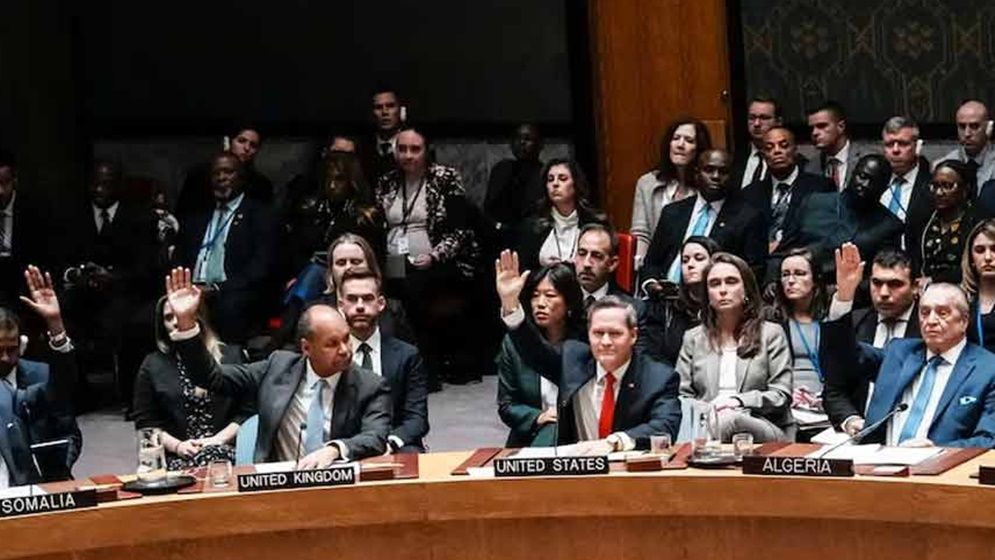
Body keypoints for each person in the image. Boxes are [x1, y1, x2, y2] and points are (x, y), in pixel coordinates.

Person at [164, 267, 391, 466]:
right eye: (332, 344)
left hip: (339, 485)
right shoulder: (277, 368)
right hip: (279, 484)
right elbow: (210, 378)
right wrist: (186, 324)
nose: (344, 350)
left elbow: (376, 437)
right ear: (306, 348)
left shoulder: (370, 385)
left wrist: (333, 450)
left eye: (346, 339)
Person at [496, 250, 682, 451]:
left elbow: (665, 425)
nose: (606, 341)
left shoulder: (659, 377)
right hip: (575, 466)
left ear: (633, 335)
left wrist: (615, 442)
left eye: (615, 333)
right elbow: (533, 350)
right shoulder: (573, 361)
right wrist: (511, 306)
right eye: (598, 333)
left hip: (628, 465)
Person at [822, 242, 995, 447]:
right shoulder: (900, 352)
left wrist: (938, 451)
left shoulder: (987, 370)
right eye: (925, 312)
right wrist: (844, 296)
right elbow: (844, 356)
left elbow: (988, 439)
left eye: (942, 313)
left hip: (941, 464)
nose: (931, 321)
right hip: (877, 459)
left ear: (964, 321)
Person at [376, 125, 482, 385]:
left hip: (438, 260)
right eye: (402, 149)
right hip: (395, 259)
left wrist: (435, 255)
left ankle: (426, 370)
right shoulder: (387, 181)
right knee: (383, 289)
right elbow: (380, 225)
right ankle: (396, 367)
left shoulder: (444, 178)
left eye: (415, 149)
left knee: (415, 289)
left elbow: (460, 231)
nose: (408, 155)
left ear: (426, 151)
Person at [62, 159, 158, 413]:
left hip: (126, 291)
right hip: (84, 290)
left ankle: (130, 395)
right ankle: (78, 391)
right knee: (62, 313)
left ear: (118, 186)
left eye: (106, 184)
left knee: (126, 321)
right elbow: (63, 258)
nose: (99, 190)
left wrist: (113, 277)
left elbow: (147, 268)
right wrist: (76, 274)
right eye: (95, 184)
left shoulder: (141, 217)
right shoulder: (75, 215)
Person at [677, 252, 794, 442]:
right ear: (707, 294)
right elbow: (682, 396)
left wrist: (736, 401)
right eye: (715, 284)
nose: (723, 290)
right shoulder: (693, 338)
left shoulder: (771, 333)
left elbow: (780, 395)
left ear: (746, 289)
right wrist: (707, 410)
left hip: (762, 424)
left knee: (731, 420)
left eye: (731, 282)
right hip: (706, 421)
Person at [132, 296, 251, 470]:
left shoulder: (231, 356)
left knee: (216, 460)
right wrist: (179, 447)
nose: (175, 322)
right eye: (168, 318)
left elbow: (248, 411)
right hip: (176, 455)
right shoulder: (153, 364)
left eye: (181, 315)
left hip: (227, 449)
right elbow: (147, 424)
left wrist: (217, 440)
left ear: (199, 316)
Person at [175, 152, 279, 344]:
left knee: (230, 308)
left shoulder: (259, 215)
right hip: (192, 288)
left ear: (241, 177)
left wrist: (216, 288)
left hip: (231, 291)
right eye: (216, 173)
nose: (221, 178)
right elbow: (179, 258)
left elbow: (260, 267)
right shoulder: (197, 215)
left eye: (228, 172)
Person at [822, 248, 920, 430]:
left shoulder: (929, 327)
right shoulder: (855, 323)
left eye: (895, 284)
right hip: (859, 434)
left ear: (915, 286)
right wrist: (850, 419)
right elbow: (834, 387)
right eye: (877, 283)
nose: (883, 292)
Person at [1, 266, 78, 487]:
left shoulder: (41, 376)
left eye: (11, 349)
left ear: (22, 344)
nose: (5, 358)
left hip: (42, 485)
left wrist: (55, 324)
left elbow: (69, 431)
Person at [642, 148, 766, 286]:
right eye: (709, 170)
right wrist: (651, 284)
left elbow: (754, 269)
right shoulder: (673, 212)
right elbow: (652, 262)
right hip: (664, 292)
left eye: (723, 172)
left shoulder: (747, 217)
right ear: (697, 173)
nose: (716, 176)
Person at [271, 234, 415, 351]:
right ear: (331, 271)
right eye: (341, 263)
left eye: (356, 262)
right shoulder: (313, 310)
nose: (348, 267)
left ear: (370, 266)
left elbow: (408, 356)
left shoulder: (392, 309)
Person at [337, 268, 428, 453]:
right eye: (352, 299)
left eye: (367, 299)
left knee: (412, 454)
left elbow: (417, 419)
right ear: (340, 305)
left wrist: (389, 443)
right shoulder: (331, 355)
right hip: (344, 445)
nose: (360, 306)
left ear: (381, 304)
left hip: (393, 442)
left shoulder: (407, 355)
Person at [497, 263, 584, 447]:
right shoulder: (515, 343)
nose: (540, 303)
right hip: (532, 434)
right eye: (535, 296)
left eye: (550, 295)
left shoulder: (585, 342)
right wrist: (538, 417)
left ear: (569, 302)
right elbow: (507, 404)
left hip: (578, 435)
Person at [282, 151, 385, 305]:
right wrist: (297, 275)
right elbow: (297, 249)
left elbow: (375, 260)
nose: (332, 185)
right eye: (328, 179)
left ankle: (294, 310)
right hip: (310, 277)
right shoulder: (311, 210)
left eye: (339, 179)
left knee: (315, 274)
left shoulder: (365, 216)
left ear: (351, 180)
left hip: (353, 278)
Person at [777, 153, 904, 278]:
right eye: (862, 176)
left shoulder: (889, 226)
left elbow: (882, 272)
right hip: (793, 282)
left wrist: (814, 254)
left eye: (874, 182)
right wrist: (773, 279)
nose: (865, 185)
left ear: (884, 188)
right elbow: (783, 251)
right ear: (852, 174)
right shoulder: (813, 202)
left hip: (847, 286)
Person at [631, 118, 713, 267]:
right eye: (675, 138)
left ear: (699, 149)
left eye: (689, 140)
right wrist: (641, 266)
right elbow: (641, 233)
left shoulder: (708, 187)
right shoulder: (647, 183)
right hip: (655, 264)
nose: (680, 145)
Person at [740, 127, 835, 255]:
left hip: (802, 257)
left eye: (784, 146)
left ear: (795, 150)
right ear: (763, 155)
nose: (777, 151)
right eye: (769, 148)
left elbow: (823, 233)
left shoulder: (820, 187)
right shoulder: (750, 193)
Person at [514, 158, 606, 274]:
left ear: (576, 184)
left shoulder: (594, 223)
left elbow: (605, 267)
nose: (555, 184)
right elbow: (523, 271)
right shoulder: (533, 226)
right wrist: (545, 270)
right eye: (550, 179)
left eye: (563, 179)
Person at [765, 248, 829, 413]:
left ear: (815, 279)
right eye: (785, 274)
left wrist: (826, 398)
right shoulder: (771, 319)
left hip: (827, 403)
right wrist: (788, 394)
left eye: (800, 273)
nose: (791, 280)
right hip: (785, 403)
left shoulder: (831, 317)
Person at [642, 236, 720, 366]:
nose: (690, 265)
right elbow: (653, 355)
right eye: (685, 260)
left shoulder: (724, 306)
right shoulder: (666, 306)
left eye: (699, 258)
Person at [178, 126, 274, 216]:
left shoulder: (261, 185)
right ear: (228, 141)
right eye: (241, 141)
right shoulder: (200, 174)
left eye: (253, 145)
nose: (247, 148)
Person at [911, 159, 976, 285]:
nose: (939, 193)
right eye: (935, 186)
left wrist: (934, 280)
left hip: (963, 288)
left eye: (947, 186)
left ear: (965, 189)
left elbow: (975, 265)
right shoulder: (923, 219)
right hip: (923, 288)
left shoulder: (975, 221)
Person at [0, 152, 47, 308]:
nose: (0, 191)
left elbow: (41, 257)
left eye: (4, 183)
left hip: (22, 281)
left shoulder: (34, 210)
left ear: (15, 181)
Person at [879, 116, 933, 249]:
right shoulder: (874, 182)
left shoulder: (931, 184)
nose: (895, 150)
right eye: (889, 144)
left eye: (903, 144)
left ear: (917, 146)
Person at [483, 124, 545, 233]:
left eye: (527, 139)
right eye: (517, 138)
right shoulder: (502, 169)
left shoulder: (546, 173)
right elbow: (489, 208)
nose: (522, 142)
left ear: (540, 144)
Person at [804, 101, 866, 190]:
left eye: (822, 126)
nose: (814, 133)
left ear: (841, 126)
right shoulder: (811, 167)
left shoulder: (866, 158)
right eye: (811, 128)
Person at [934, 100, 995, 185]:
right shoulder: (944, 167)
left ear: (988, 128)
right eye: (962, 127)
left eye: (974, 126)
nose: (967, 134)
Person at [733, 95, 783, 189]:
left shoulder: (789, 160)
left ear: (778, 122)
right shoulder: (735, 157)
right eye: (752, 118)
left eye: (764, 118)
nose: (756, 124)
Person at [360, 86, 404, 184]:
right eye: (378, 107)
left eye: (390, 106)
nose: (385, 112)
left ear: (400, 110)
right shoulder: (362, 150)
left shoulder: (413, 147)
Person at [962, 219, 995, 350]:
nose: (988, 257)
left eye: (994, 249)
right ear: (971, 259)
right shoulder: (959, 299)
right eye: (980, 250)